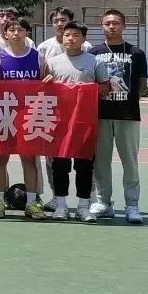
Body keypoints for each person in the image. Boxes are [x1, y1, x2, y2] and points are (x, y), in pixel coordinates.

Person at [45, 22, 111, 222]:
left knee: (84, 165)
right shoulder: (52, 63)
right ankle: (61, 206)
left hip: (84, 122)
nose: (70, 38)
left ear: (83, 39)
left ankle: (83, 207)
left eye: (75, 35)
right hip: (60, 123)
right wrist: (48, 84)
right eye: (67, 35)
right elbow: (43, 90)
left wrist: (86, 89)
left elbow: (106, 87)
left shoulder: (94, 61)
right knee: (60, 165)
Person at [0, 16, 49, 219]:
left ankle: (31, 203)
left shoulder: (39, 58)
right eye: (11, 30)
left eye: (20, 30)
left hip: (29, 115)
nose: (16, 33)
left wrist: (49, 80)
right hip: (4, 114)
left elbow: (46, 86)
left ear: (27, 33)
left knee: (28, 159)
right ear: (5, 34)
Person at [89, 10, 147, 224]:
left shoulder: (136, 53)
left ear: (124, 25)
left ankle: (132, 205)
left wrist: (127, 100)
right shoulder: (93, 53)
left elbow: (141, 84)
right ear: (101, 26)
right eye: (108, 23)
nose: (112, 26)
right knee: (101, 162)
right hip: (100, 115)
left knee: (130, 162)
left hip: (128, 115)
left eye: (116, 23)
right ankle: (104, 203)